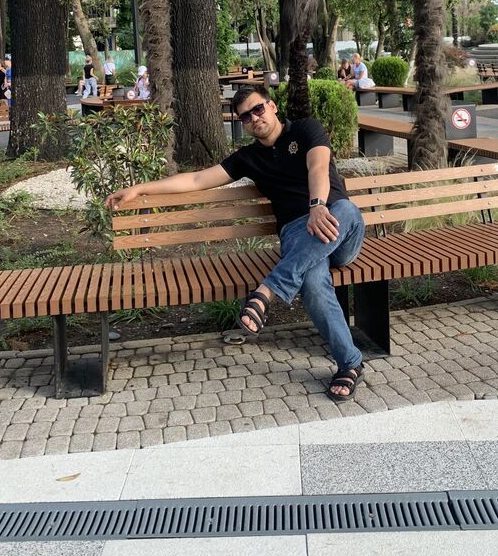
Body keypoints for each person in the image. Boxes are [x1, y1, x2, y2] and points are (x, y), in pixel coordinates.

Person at [106, 85, 366, 401]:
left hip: (336, 223)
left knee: (347, 209)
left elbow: (318, 167)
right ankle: (349, 364)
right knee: (312, 281)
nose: (254, 118)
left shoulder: (306, 129)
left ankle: (266, 292)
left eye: (258, 109)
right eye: (245, 117)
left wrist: (318, 206)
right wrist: (140, 188)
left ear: (272, 106)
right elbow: (197, 179)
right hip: (298, 236)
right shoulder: (249, 158)